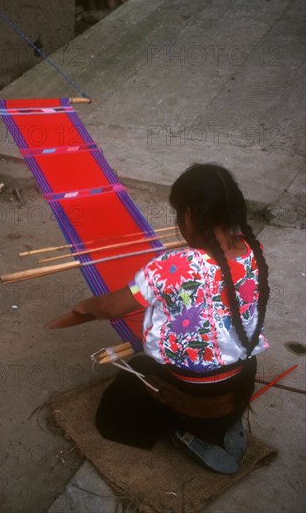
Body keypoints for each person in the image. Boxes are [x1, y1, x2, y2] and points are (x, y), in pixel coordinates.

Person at [71, 163, 270, 474]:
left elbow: (111, 307)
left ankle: (189, 432)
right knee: (219, 365)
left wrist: (85, 307)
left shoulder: (172, 265)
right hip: (243, 373)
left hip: (196, 389)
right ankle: (224, 424)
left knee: (126, 390)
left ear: (189, 215)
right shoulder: (253, 251)